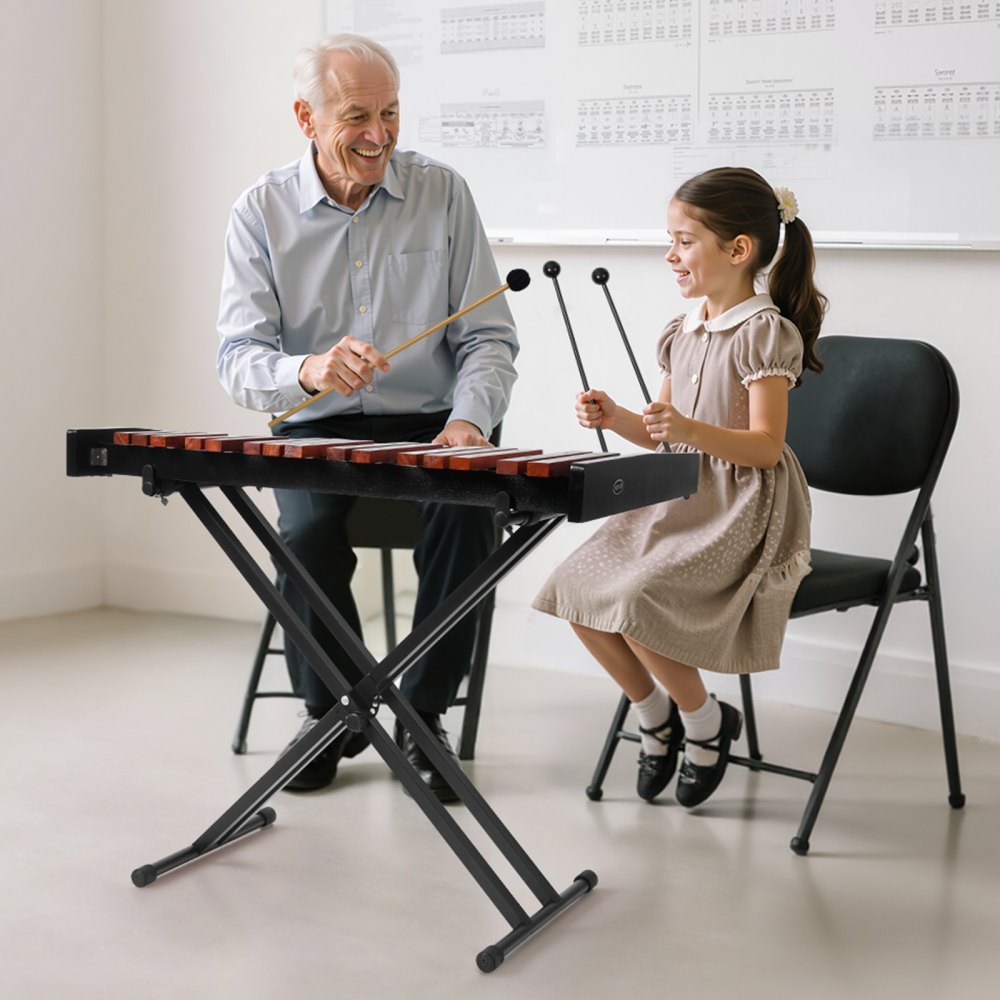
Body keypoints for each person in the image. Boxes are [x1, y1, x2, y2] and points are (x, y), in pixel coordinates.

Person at [216, 34, 518, 801]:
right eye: (357, 116)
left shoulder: (444, 194)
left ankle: (421, 716)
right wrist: (307, 370)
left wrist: (470, 424)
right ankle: (334, 713)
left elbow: (488, 336)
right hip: (317, 425)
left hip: (434, 423)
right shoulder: (259, 212)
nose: (380, 135)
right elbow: (239, 359)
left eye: (390, 113)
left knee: (469, 516)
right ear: (304, 117)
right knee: (305, 531)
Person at [533, 167, 826, 807]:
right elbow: (664, 435)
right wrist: (618, 417)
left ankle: (705, 723)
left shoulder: (764, 333)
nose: (671, 254)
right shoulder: (683, 330)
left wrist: (689, 426)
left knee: (640, 600)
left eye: (684, 240)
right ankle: (654, 714)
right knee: (576, 587)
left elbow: (766, 447)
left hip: (739, 507)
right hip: (675, 492)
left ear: (738, 249)